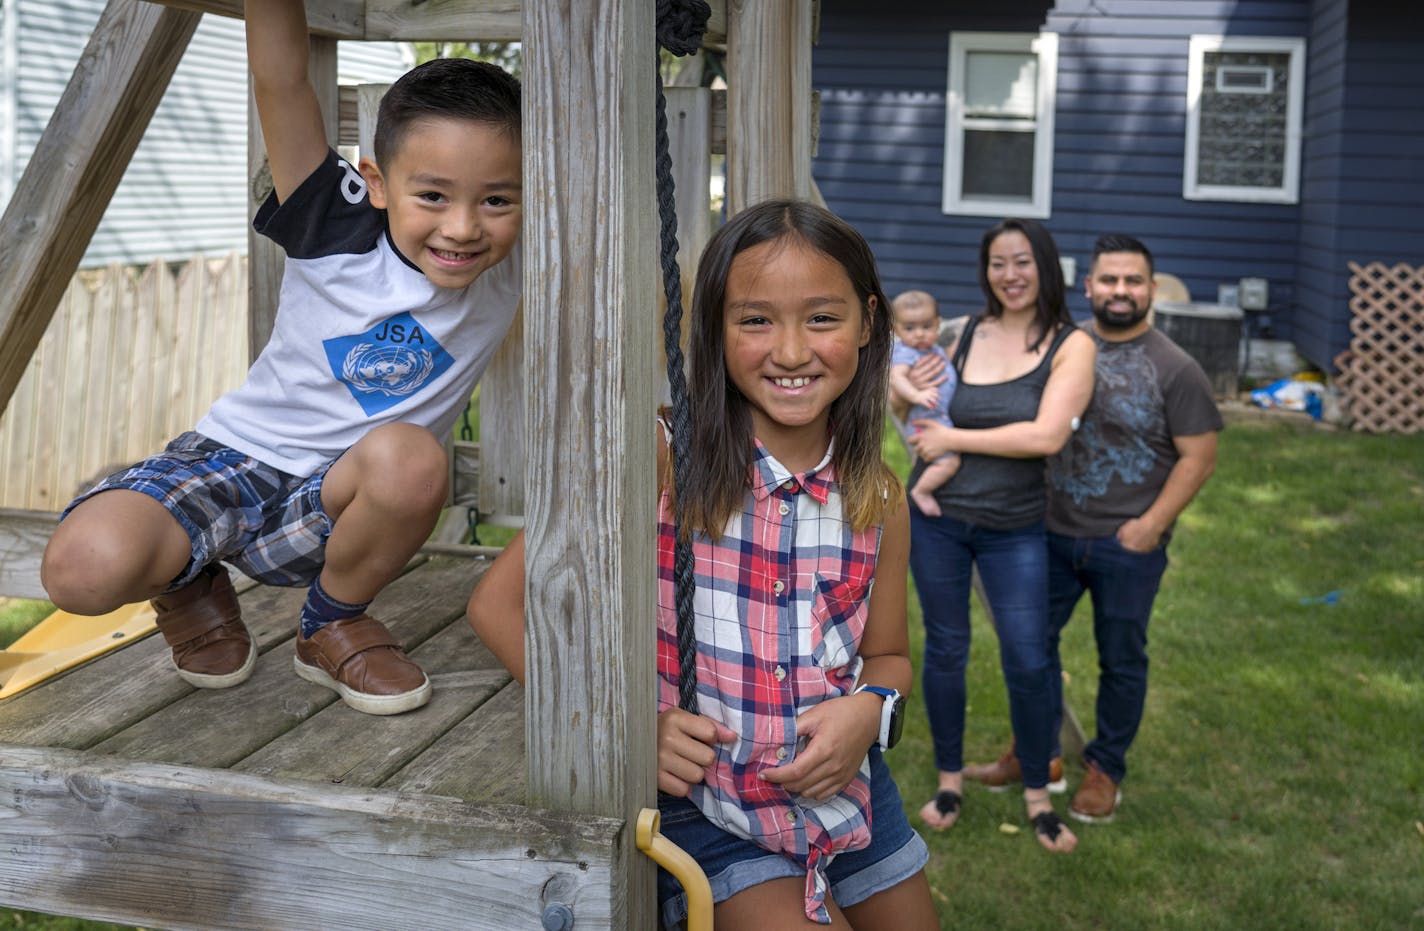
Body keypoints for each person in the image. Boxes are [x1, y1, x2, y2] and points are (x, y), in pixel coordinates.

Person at [39, 0, 523, 716]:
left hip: (336, 503)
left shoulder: (515, 266)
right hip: (228, 462)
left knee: (411, 457)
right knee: (79, 570)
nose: (462, 226)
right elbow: (283, 81)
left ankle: (330, 621)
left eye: (496, 200)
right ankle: (186, 577)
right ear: (378, 183)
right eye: (433, 195)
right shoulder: (338, 222)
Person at [468, 201, 938, 930]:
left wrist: (868, 712)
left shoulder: (877, 494)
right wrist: (630, 731)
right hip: (711, 813)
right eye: (755, 320)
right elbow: (498, 606)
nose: (789, 350)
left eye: (821, 318)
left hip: (850, 800)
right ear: (713, 330)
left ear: (869, 322)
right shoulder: (657, 461)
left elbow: (888, 655)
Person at [901, 218, 1095, 853]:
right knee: (946, 650)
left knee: (1029, 657)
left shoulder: (1071, 344)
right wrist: (901, 397)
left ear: (1044, 265)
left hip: (1015, 528)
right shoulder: (960, 333)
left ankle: (1038, 792)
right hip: (938, 521)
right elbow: (906, 398)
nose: (1009, 275)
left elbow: (1045, 436)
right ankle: (950, 781)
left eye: (1022, 262)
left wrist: (952, 438)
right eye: (996, 263)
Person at [1044, 234, 1221, 823]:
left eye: (1133, 281)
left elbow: (1199, 457)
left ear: (1151, 288)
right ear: (1088, 285)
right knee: (1028, 647)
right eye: (1109, 280)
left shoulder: (1177, 368)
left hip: (1127, 545)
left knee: (1121, 658)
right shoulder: (1063, 348)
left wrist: (1150, 526)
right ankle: (1036, 750)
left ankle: (1105, 768)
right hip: (1048, 534)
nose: (1121, 291)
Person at [888, 290, 959, 517]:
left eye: (926, 326)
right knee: (950, 462)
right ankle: (922, 491)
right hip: (925, 420)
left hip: (935, 418)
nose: (919, 334)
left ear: (938, 324)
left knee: (926, 459)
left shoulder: (933, 348)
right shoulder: (905, 353)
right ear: (896, 329)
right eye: (909, 328)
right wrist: (917, 395)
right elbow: (897, 379)